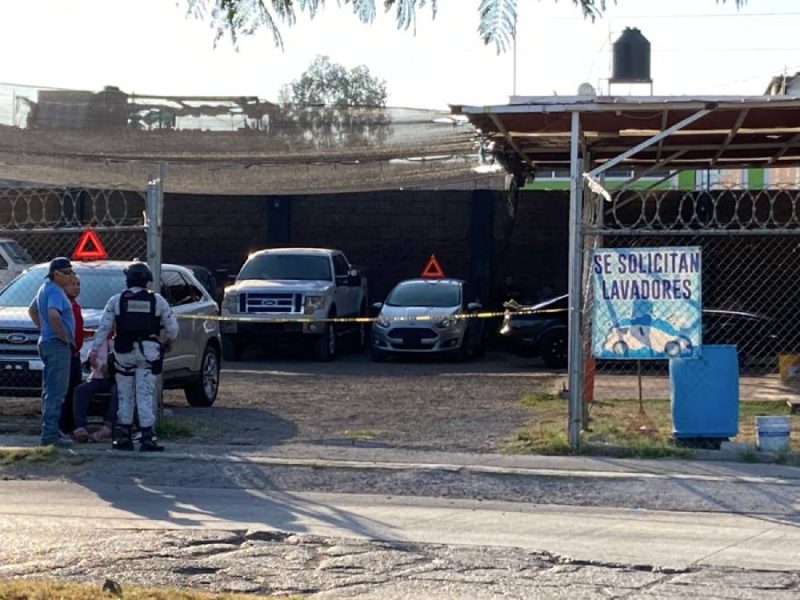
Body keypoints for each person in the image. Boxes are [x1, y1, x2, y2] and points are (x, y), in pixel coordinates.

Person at [90, 262, 178, 452]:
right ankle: (147, 437)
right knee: (145, 395)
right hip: (149, 353)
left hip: (123, 352)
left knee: (125, 395)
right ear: (147, 281)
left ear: (127, 279)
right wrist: (168, 342)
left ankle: (124, 437)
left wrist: (94, 350)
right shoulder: (157, 300)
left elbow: (104, 327)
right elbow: (172, 328)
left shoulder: (116, 300)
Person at [28, 257, 76, 447]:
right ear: (57, 274)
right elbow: (53, 314)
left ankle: (51, 430)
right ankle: (50, 435)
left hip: (47, 342)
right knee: (57, 390)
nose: (71, 276)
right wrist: (63, 336)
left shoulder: (44, 288)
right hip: (56, 344)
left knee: (49, 389)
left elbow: (32, 311)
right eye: (68, 272)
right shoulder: (56, 291)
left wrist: (44, 329)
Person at [72, 333, 117, 443]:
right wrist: (100, 366)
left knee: (118, 392)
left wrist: (112, 369)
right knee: (80, 390)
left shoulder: (120, 341)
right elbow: (91, 358)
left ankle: (107, 427)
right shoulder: (99, 342)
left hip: (116, 378)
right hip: (98, 377)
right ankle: (80, 428)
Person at [59, 274, 83, 436]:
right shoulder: (64, 305)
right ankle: (63, 425)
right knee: (65, 390)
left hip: (76, 353)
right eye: (72, 284)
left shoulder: (76, 305)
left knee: (75, 388)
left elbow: (78, 331)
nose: (76, 287)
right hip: (67, 352)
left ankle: (71, 423)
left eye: (78, 284)